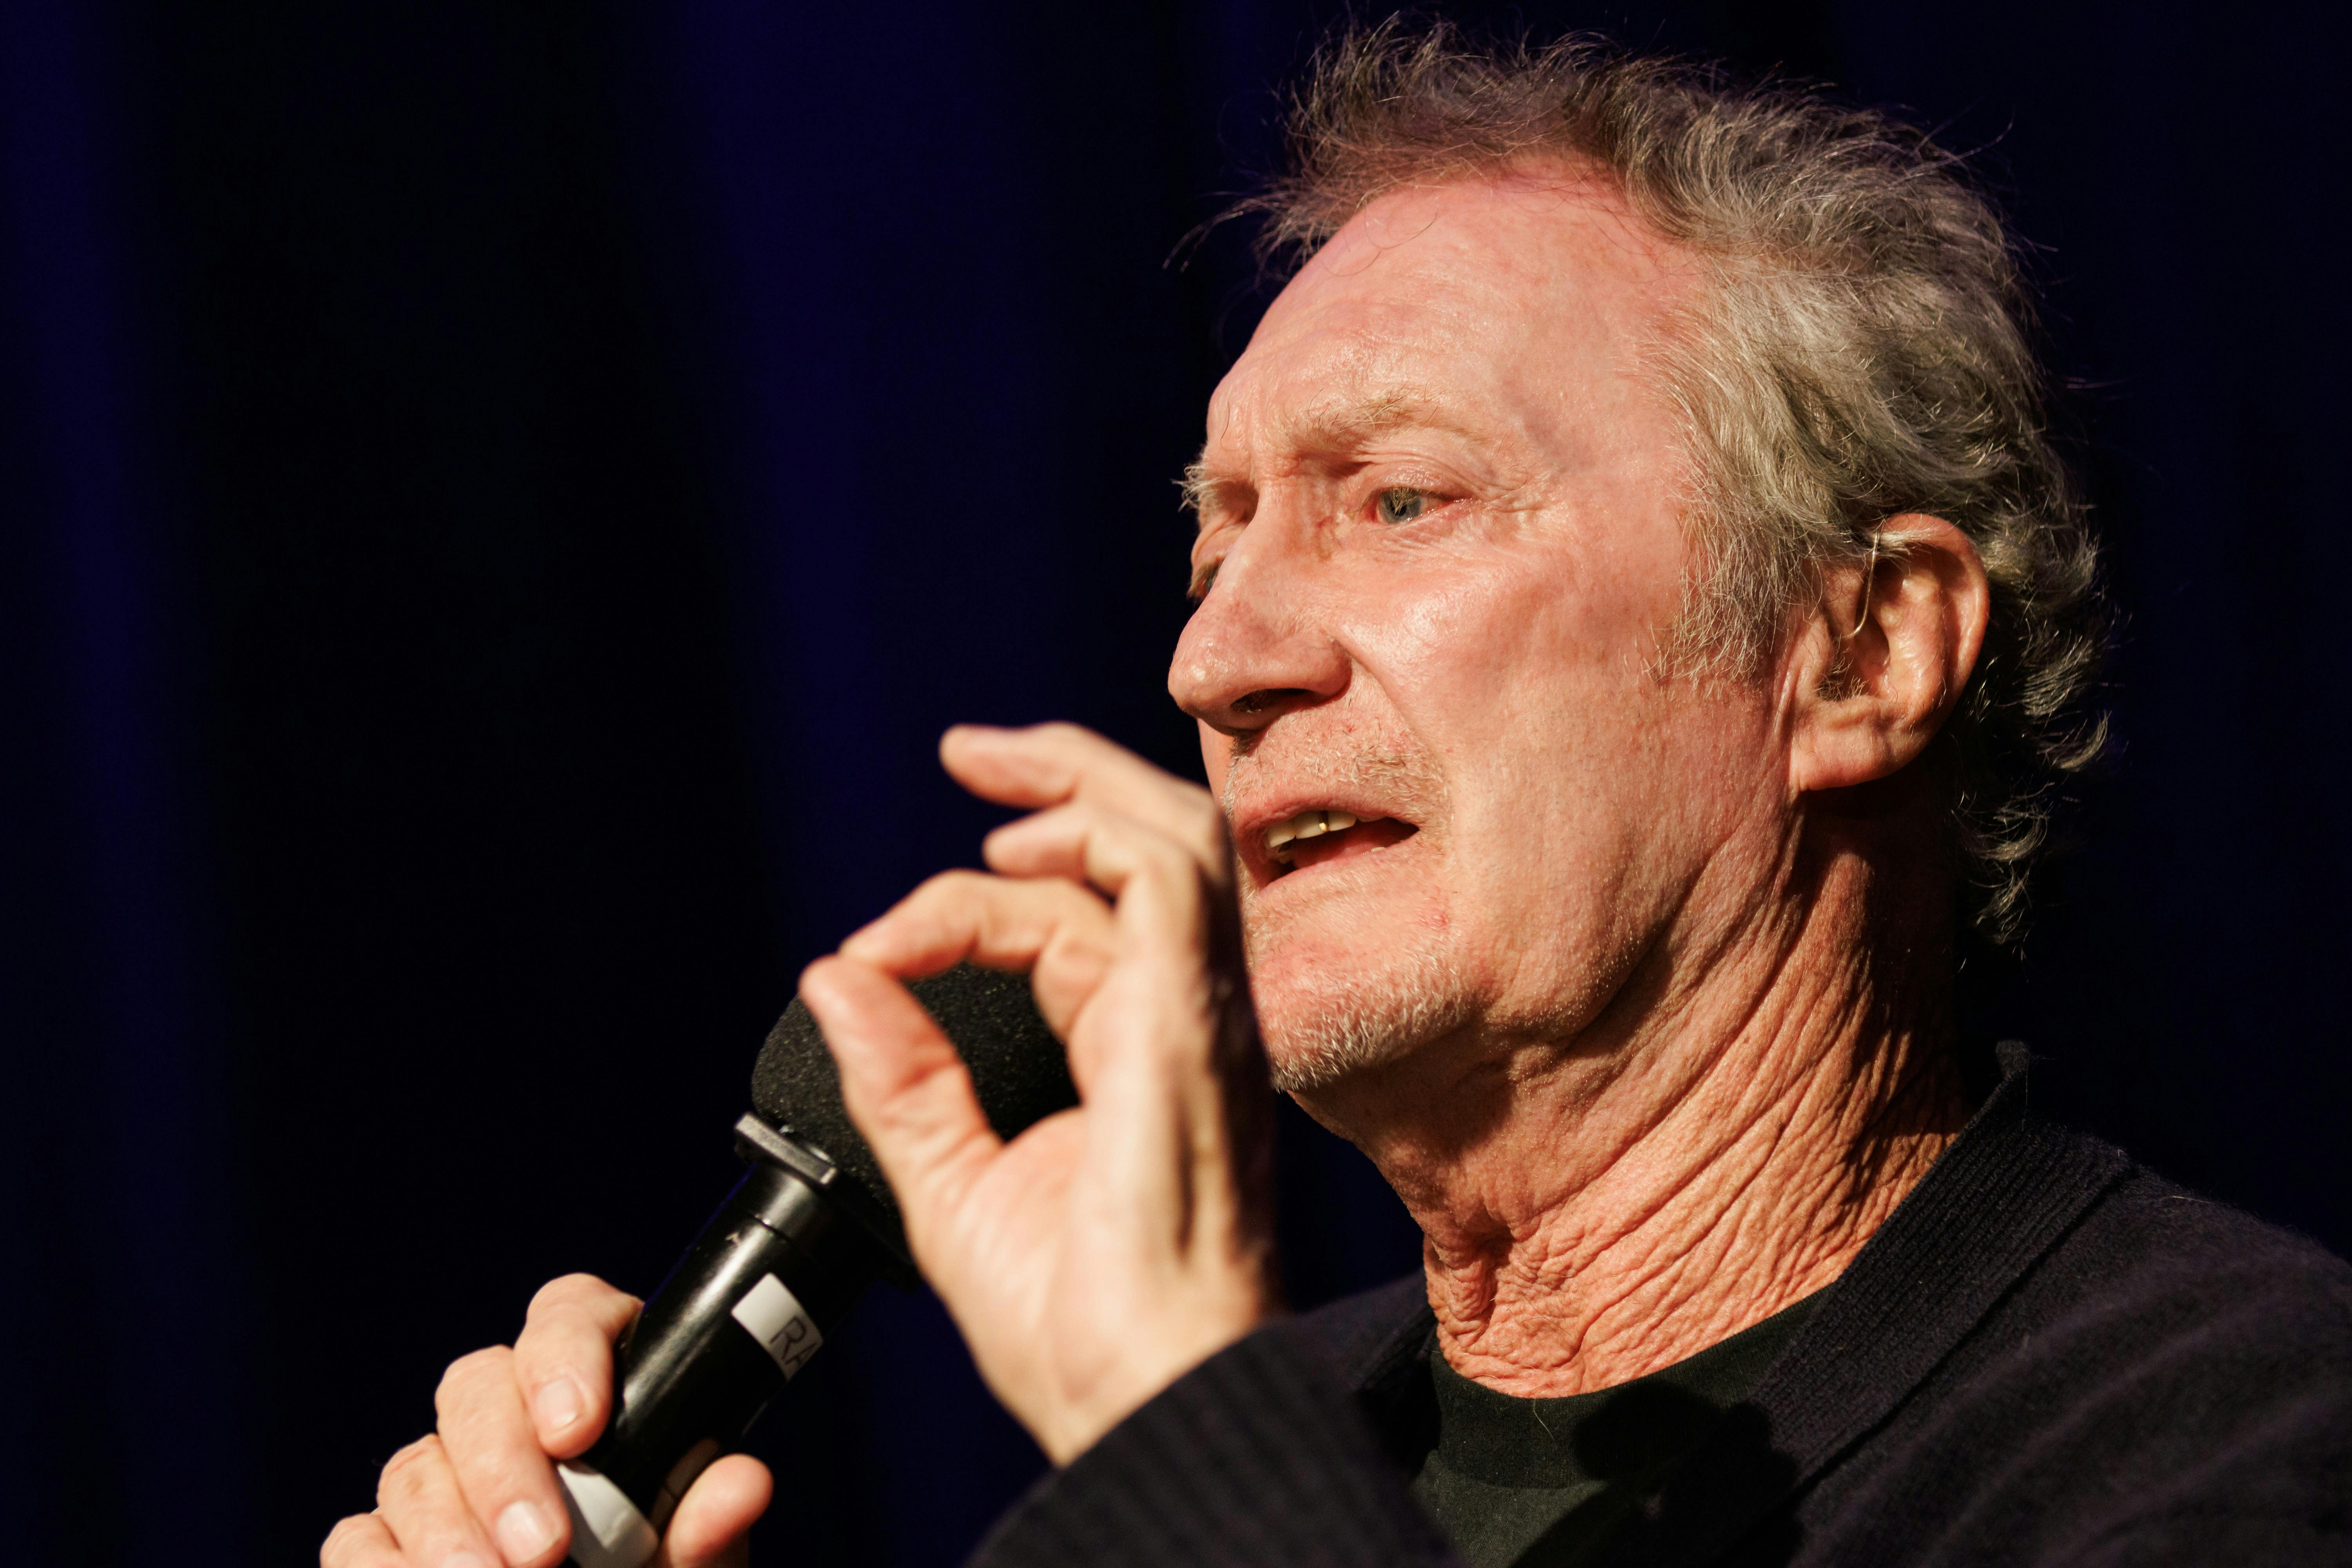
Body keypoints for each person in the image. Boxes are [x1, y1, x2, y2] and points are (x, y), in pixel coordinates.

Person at [322, 23, 2352, 1568]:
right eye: (1212, 545)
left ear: (1862, 649)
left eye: (1399, 502)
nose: (1218, 664)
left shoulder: (2236, 1443)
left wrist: (1180, 1436)